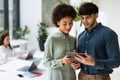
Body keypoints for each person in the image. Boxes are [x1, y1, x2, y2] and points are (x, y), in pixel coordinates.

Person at [71, 2, 120, 80]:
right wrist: (76, 63)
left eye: (88, 17)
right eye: (82, 18)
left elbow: (116, 62)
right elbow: (83, 60)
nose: (84, 21)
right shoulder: (81, 36)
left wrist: (95, 62)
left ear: (96, 15)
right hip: (81, 76)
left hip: (100, 78)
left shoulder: (109, 34)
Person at [43, 3, 77, 80]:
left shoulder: (73, 39)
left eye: (71, 23)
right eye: (64, 23)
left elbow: (73, 58)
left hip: (71, 77)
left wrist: (75, 63)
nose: (68, 26)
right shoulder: (52, 39)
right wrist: (61, 61)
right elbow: (45, 62)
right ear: (58, 22)